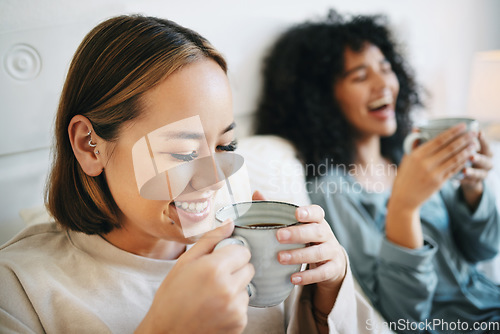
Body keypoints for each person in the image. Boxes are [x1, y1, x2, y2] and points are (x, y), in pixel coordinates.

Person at [0, 15, 388, 334]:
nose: (213, 178)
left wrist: (327, 304)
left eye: (226, 147)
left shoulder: (263, 249)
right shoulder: (19, 290)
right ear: (89, 145)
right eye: (184, 152)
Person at [254, 10, 500, 334]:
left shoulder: (410, 156)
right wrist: (404, 207)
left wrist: (473, 189)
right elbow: (401, 317)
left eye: (386, 68)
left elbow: (483, 249)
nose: (383, 83)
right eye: (360, 76)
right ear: (323, 98)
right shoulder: (332, 190)